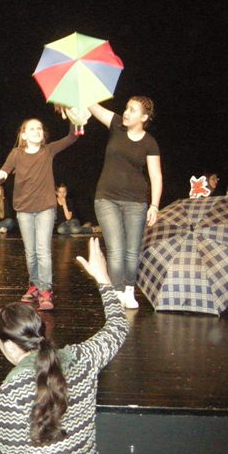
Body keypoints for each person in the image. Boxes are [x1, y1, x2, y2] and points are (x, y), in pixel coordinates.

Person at [0, 237, 128, 454]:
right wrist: (102, 279)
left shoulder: (12, 389)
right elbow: (118, 327)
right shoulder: (84, 358)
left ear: (10, 345)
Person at [0, 119, 78, 310]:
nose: (36, 131)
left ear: (43, 134)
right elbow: (5, 169)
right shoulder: (16, 153)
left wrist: (76, 120)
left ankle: (45, 291)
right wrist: (2, 174)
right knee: (31, 252)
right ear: (24, 135)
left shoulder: (48, 151)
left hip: (45, 208)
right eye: (31, 128)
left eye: (39, 128)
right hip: (24, 209)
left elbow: (72, 137)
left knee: (43, 251)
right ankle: (34, 285)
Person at [89, 97, 162, 310]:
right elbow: (93, 106)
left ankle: (129, 290)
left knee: (132, 251)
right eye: (127, 108)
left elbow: (156, 176)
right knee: (115, 249)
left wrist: (154, 205)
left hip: (135, 202)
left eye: (133, 110)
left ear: (144, 117)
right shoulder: (116, 125)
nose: (127, 112)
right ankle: (117, 291)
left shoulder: (149, 142)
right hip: (106, 198)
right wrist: (81, 85)